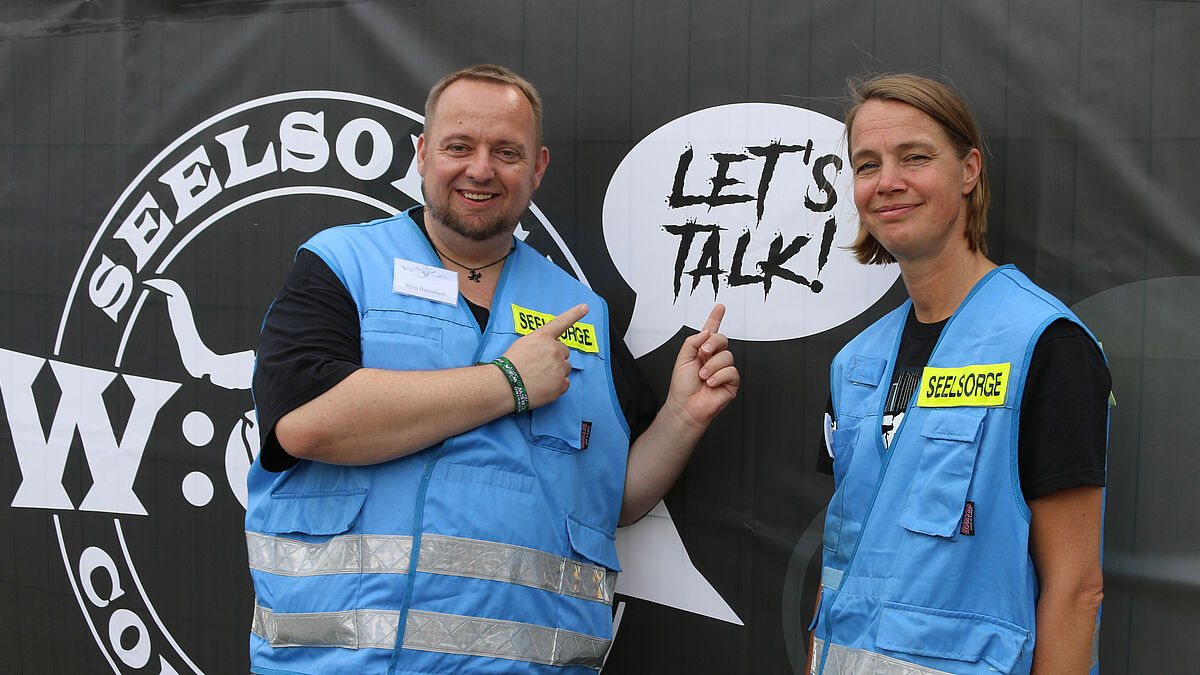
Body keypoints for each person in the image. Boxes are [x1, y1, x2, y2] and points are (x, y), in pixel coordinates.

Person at [245, 64, 739, 674]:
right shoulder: (341, 266)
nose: (481, 169)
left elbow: (613, 500)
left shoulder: (577, 309)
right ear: (423, 154)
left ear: (537, 169)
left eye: (507, 152)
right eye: (459, 146)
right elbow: (305, 425)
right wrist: (507, 383)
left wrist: (683, 416)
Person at [808, 74, 1108, 675]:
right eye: (867, 165)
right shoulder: (857, 363)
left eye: (914, 157)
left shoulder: (1044, 345)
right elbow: (843, 559)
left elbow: (1077, 587)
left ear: (968, 171)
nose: (887, 182)